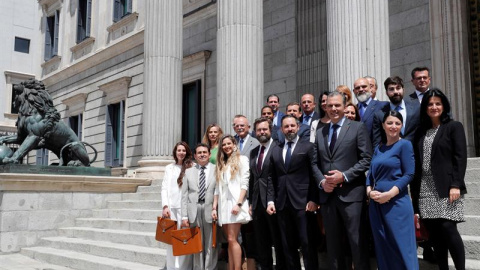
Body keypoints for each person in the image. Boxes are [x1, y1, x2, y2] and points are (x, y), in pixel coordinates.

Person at [314, 91, 372, 270]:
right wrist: (323, 183)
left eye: (337, 105)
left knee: (357, 243)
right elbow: (314, 162)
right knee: (332, 246)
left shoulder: (357, 127)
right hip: (328, 197)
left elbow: (366, 159)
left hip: (351, 196)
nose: (333, 109)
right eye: (329, 105)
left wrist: (344, 176)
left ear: (345, 106)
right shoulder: (320, 130)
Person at [411, 88, 467, 270]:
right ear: (425, 108)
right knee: (435, 235)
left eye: (438, 103)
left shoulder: (454, 126)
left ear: (444, 106)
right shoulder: (421, 132)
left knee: (449, 229)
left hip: (447, 187)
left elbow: (460, 157)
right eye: (430, 104)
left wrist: (456, 184)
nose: (434, 107)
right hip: (425, 189)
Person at [267, 115, 320, 270]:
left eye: (292, 126)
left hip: (303, 204)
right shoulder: (276, 150)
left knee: (307, 243)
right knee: (287, 245)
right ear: (281, 129)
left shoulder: (308, 147)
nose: (289, 129)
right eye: (286, 127)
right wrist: (270, 200)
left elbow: (314, 174)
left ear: (298, 127)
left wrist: (313, 199)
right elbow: (271, 177)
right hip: (282, 204)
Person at [366, 111, 418, 270]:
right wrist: (369, 192)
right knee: (384, 248)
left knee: (403, 249)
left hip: (397, 205)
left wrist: (390, 194)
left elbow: (409, 174)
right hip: (376, 206)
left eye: (397, 123)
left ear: (401, 125)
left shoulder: (405, 145)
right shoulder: (379, 148)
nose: (393, 126)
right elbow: (370, 175)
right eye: (389, 123)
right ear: (383, 125)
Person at [248, 117, 286, 270]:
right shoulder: (253, 152)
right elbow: (252, 179)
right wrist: (251, 202)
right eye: (259, 130)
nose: (262, 132)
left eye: (264, 129)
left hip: (275, 203)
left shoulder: (279, 149)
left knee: (278, 241)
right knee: (261, 242)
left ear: (271, 131)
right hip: (257, 204)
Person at [212, 135, 252, 270]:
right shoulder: (222, 163)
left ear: (234, 145)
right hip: (223, 206)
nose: (226, 146)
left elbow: (245, 184)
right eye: (224, 145)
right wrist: (214, 207)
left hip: (235, 203)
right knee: (229, 240)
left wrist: (239, 203)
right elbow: (217, 188)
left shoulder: (242, 159)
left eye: (229, 143)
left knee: (232, 239)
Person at [181, 144, 218, 270]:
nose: (202, 154)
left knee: (210, 244)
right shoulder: (188, 171)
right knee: (196, 243)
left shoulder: (216, 169)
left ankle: (209, 268)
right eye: (199, 153)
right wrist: (184, 216)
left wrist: (215, 208)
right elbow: (184, 195)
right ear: (195, 156)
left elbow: (218, 191)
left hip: (210, 209)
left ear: (209, 154)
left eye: (204, 152)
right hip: (194, 210)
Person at [161, 142, 194, 270]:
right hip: (171, 208)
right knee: (170, 240)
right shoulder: (169, 167)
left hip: (185, 209)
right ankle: (171, 267)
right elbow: (164, 188)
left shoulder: (192, 167)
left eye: (184, 150)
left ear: (187, 152)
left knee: (184, 238)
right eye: (179, 150)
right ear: (175, 152)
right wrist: (165, 206)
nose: (181, 153)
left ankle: (183, 267)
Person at [372, 76, 420, 148]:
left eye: (398, 88)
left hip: (415, 154)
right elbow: (377, 142)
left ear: (403, 90)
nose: (395, 92)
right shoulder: (380, 115)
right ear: (386, 92)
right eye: (391, 89)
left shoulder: (416, 108)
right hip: (392, 156)